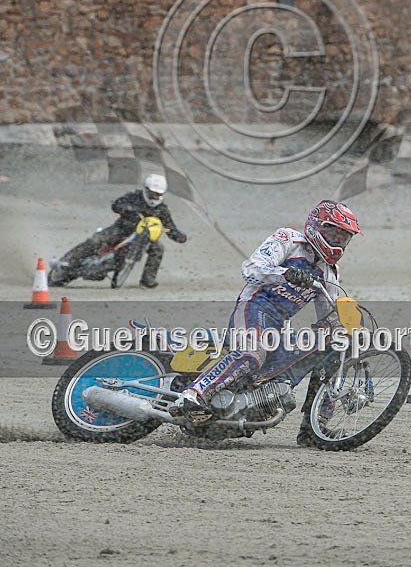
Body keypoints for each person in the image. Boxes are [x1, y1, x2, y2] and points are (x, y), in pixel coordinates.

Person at [172, 200, 363, 447]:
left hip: (278, 325)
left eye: (344, 237)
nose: (337, 240)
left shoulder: (329, 271)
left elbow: (328, 312)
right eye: (333, 232)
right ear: (317, 225)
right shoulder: (288, 240)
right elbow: (250, 268)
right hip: (254, 306)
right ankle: (192, 394)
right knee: (252, 353)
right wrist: (285, 274)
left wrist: (346, 327)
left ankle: (314, 430)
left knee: (331, 347)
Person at [54, 174, 187, 289]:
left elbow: (170, 227)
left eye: (158, 195)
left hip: (144, 237)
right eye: (152, 193)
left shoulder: (162, 210)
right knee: (97, 240)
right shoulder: (134, 197)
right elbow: (116, 204)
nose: (154, 197)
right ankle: (68, 260)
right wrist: (127, 209)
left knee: (158, 248)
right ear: (146, 190)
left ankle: (148, 280)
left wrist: (178, 236)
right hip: (121, 230)